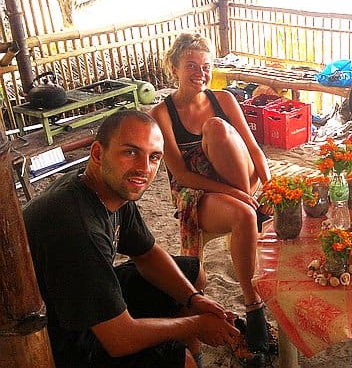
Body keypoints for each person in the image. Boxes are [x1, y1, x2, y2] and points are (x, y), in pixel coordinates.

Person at [23, 110, 240, 368]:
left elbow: (146, 253)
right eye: (130, 152)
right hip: (57, 335)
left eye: (154, 157)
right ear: (97, 154)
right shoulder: (78, 229)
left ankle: (195, 356)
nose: (144, 168)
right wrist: (195, 324)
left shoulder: (108, 187)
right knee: (179, 360)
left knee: (193, 274)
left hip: (81, 296)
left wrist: (194, 299)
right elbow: (120, 339)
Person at [149, 33, 272, 355]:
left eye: (205, 66)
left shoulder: (224, 99)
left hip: (241, 179)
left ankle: (251, 205)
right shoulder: (161, 114)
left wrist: (269, 184)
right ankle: (253, 304)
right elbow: (181, 174)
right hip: (198, 191)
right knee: (244, 212)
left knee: (218, 128)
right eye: (191, 65)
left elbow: (255, 150)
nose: (199, 73)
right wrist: (239, 197)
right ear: (173, 68)